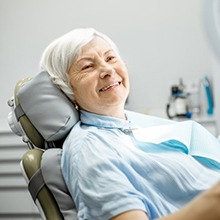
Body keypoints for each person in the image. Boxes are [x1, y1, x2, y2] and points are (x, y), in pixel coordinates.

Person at [40, 28, 220, 220]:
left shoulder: (130, 126)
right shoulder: (89, 148)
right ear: (67, 90)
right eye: (87, 67)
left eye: (110, 58)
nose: (108, 70)